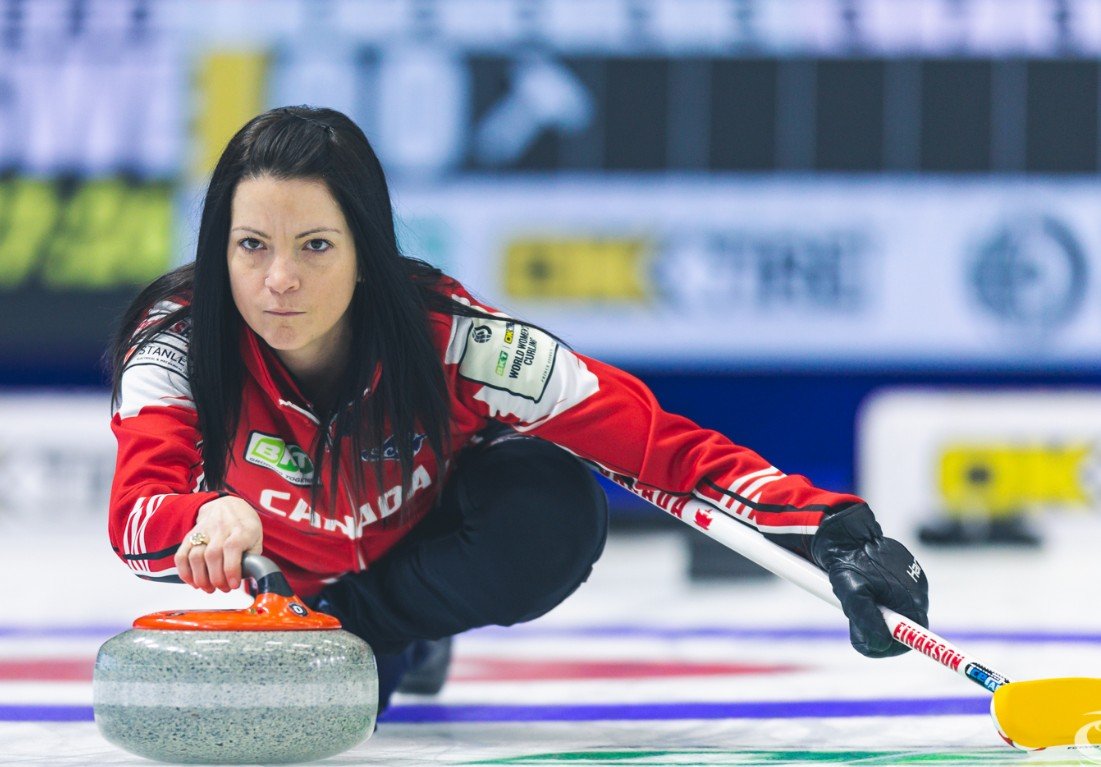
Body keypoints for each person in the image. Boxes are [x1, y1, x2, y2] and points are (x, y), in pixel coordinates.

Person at [108, 106, 928, 712]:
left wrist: (827, 527)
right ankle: (375, 644)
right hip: (291, 586)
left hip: (414, 553)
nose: (278, 279)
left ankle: (387, 627)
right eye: (252, 245)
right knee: (349, 706)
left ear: (366, 254)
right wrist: (202, 515)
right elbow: (136, 513)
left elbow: (652, 445)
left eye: (314, 245)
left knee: (554, 508)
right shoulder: (175, 348)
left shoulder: (456, 342)